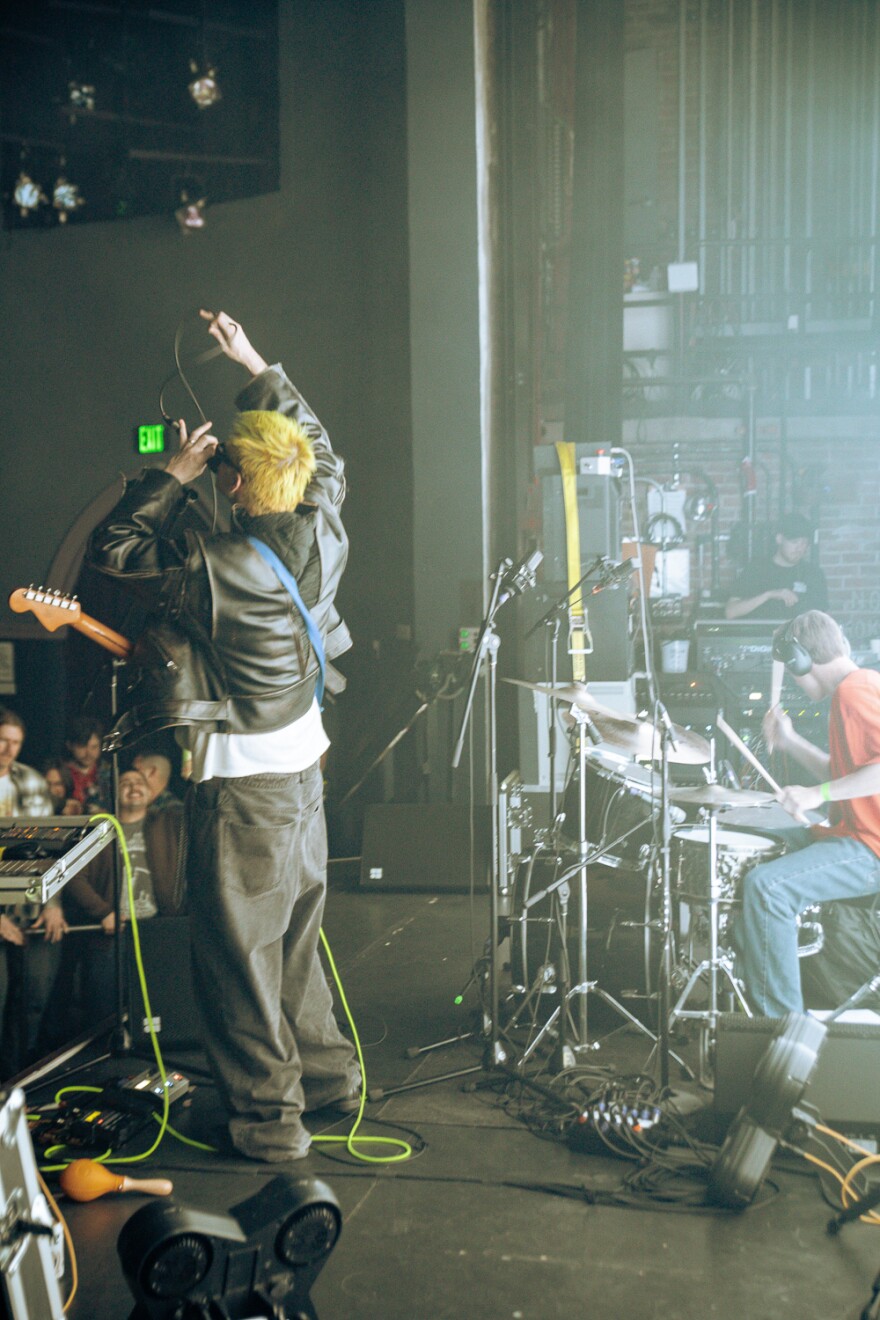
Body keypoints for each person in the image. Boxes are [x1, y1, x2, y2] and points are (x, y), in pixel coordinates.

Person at [87, 308, 359, 1161]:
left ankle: (269, 1125)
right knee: (297, 944)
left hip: (244, 794)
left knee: (238, 959)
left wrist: (171, 473)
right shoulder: (322, 522)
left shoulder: (217, 570)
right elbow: (321, 447)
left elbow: (116, 550)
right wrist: (251, 360)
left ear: (235, 485)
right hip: (306, 780)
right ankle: (326, 1082)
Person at [737, 611, 880, 1016]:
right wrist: (790, 741)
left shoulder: (858, 690)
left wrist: (814, 795)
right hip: (855, 834)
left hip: (871, 849)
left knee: (768, 888)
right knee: (763, 846)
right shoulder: (852, 690)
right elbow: (844, 773)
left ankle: (782, 1026)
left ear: (800, 659)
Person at [38, 767, 185, 1050]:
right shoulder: (98, 828)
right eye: (126, 782)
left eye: (139, 782)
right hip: (110, 932)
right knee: (103, 1015)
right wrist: (103, 911)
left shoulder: (167, 823)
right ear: (113, 794)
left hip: (157, 930)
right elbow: (72, 875)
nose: (133, 787)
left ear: (151, 792)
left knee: (160, 1012)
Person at [0, 708, 68, 1074]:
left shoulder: (31, 781)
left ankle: (17, 1084)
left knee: (33, 1001)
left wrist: (53, 902)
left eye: (15, 743)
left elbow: (49, 848)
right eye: (2, 740)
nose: (8, 750)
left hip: (28, 906)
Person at [724, 511, 828, 621]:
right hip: (762, 637)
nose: (800, 549)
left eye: (804, 543)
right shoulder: (756, 569)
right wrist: (769, 595)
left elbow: (823, 619)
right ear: (779, 539)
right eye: (794, 542)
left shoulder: (813, 574)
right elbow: (730, 612)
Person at [63, 716, 113, 813]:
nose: (89, 753)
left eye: (94, 747)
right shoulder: (60, 772)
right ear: (69, 745)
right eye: (82, 747)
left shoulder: (108, 772)